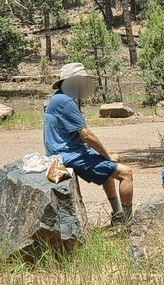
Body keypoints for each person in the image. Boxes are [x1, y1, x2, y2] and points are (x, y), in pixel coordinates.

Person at [43, 62, 134, 225]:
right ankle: (127, 223)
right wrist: (108, 155)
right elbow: (86, 134)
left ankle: (118, 215)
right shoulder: (65, 101)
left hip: (64, 152)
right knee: (126, 173)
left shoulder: (59, 97)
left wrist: (105, 156)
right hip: (69, 155)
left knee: (106, 164)